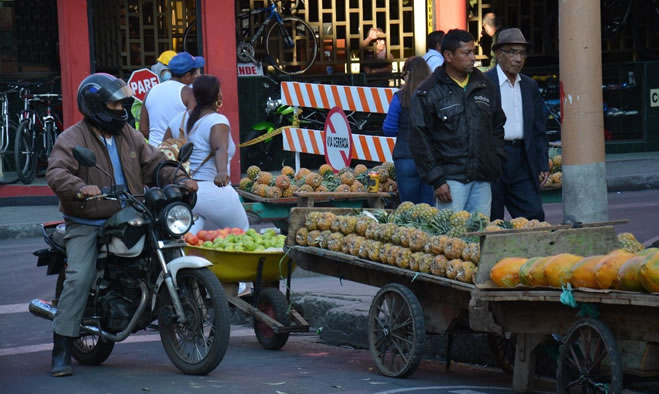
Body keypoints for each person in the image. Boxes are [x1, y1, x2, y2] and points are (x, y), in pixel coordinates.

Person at [46, 73, 197, 377]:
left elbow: (155, 165)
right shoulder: (73, 138)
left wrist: (180, 178)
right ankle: (61, 350)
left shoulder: (130, 134)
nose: (121, 109)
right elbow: (57, 172)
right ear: (95, 105)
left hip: (129, 211)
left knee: (163, 245)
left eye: (123, 104)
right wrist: (80, 187)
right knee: (79, 276)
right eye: (115, 104)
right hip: (87, 219)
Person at [409, 29, 506, 218]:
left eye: (473, 51)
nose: (473, 58)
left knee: (480, 234)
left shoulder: (485, 85)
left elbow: (497, 125)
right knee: (451, 239)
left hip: (482, 177)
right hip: (450, 180)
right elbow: (420, 138)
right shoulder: (428, 91)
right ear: (448, 56)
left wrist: (496, 160)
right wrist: (437, 180)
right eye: (466, 53)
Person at [164, 75, 248, 233]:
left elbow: (164, 149)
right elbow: (219, 148)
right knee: (242, 233)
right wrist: (222, 172)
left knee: (188, 239)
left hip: (185, 191)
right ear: (218, 96)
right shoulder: (217, 120)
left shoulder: (178, 119)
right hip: (214, 191)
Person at [485, 28, 549, 221]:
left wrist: (542, 162)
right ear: (498, 54)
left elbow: (539, 128)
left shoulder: (529, 86)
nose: (518, 58)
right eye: (512, 52)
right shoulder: (484, 82)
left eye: (522, 53)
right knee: (492, 218)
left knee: (534, 216)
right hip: (493, 158)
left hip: (522, 158)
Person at [382, 56, 434, 205]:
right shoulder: (434, 95)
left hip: (405, 157)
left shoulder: (399, 97)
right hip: (430, 158)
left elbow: (388, 129)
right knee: (428, 208)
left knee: (408, 208)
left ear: (407, 74)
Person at [140, 51, 204, 147]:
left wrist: (161, 145)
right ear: (187, 76)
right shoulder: (189, 93)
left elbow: (143, 129)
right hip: (177, 155)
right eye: (197, 73)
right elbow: (194, 129)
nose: (199, 76)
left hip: (154, 153)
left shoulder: (150, 91)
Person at [131, 50, 177, 130]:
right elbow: (136, 109)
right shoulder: (146, 84)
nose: (169, 74)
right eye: (167, 70)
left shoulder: (176, 87)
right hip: (147, 137)